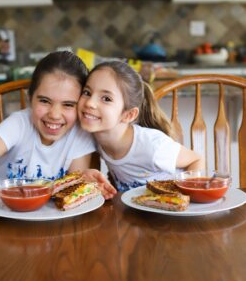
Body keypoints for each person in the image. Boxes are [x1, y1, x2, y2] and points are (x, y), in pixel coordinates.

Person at [0, 51, 115, 219]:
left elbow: (71, 195)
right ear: (31, 97)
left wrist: (84, 180)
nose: (55, 115)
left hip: (56, 227)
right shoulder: (17, 125)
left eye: (68, 104)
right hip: (8, 221)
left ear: (81, 104)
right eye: (44, 101)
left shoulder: (80, 134)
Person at [78, 60, 205, 192]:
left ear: (129, 115)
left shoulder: (153, 146)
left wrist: (188, 196)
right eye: (87, 92)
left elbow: (196, 159)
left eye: (106, 99)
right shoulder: (94, 135)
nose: (90, 103)